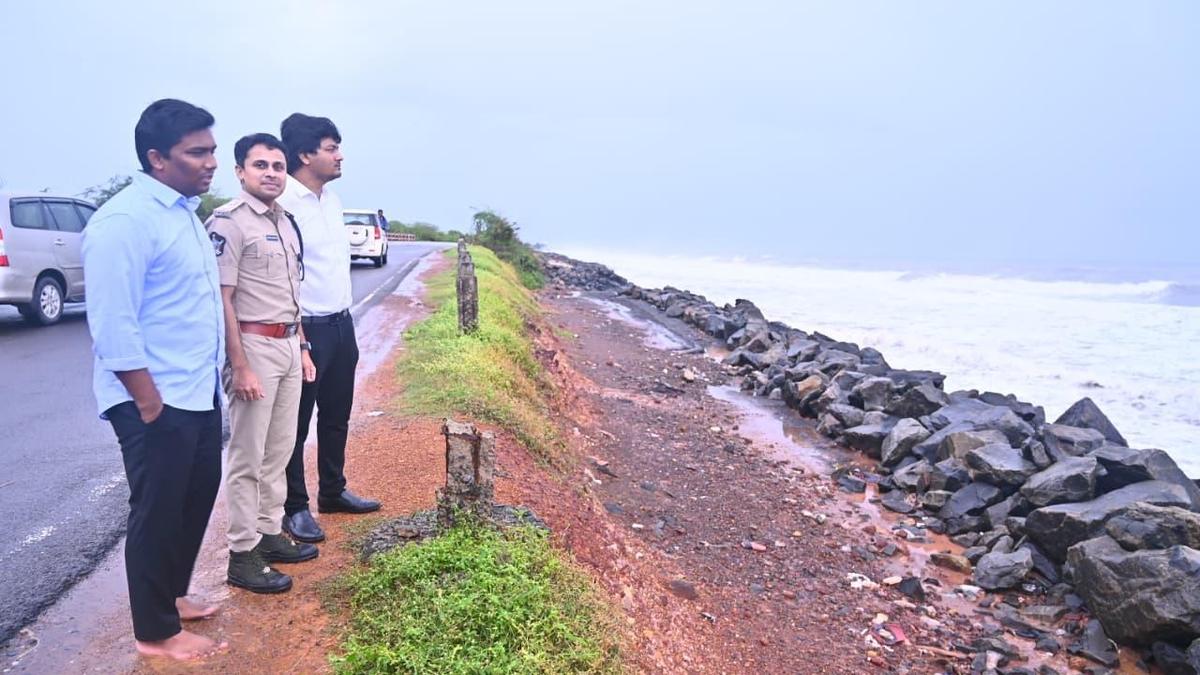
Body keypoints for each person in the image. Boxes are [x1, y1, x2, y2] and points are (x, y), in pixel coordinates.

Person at [82, 98, 228, 661]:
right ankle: (155, 631)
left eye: (212, 149)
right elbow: (113, 323)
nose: (211, 161)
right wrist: (147, 403)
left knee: (194, 497)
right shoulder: (125, 221)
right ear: (157, 159)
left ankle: (170, 596)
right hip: (154, 396)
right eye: (197, 152)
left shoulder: (182, 212)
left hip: (195, 389)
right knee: (158, 507)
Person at [206, 134, 319, 594]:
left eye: (277, 165)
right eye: (260, 165)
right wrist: (241, 365)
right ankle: (242, 553)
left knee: (280, 448)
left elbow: (293, 296)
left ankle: (270, 532)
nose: (271, 173)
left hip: (290, 345)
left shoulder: (287, 222)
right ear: (240, 171)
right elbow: (223, 300)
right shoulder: (229, 224)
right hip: (253, 347)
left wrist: (305, 348)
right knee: (247, 455)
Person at [277, 113, 380, 544]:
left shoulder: (331, 201)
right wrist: (298, 336)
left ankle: (332, 491)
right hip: (307, 330)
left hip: (341, 323)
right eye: (331, 147)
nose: (340, 155)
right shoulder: (282, 203)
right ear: (304, 154)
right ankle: (294, 508)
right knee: (294, 426)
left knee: (336, 415)